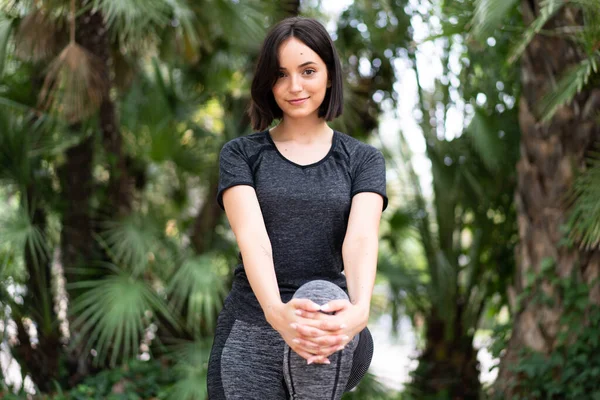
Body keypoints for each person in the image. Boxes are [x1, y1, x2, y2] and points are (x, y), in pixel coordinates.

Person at [207, 16, 388, 400]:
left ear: (329, 74)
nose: (295, 87)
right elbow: (253, 238)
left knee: (323, 292)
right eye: (281, 74)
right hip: (252, 331)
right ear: (267, 82)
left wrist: (359, 312)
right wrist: (276, 313)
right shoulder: (241, 154)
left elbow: (359, 239)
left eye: (308, 71)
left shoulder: (362, 160)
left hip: (325, 332)